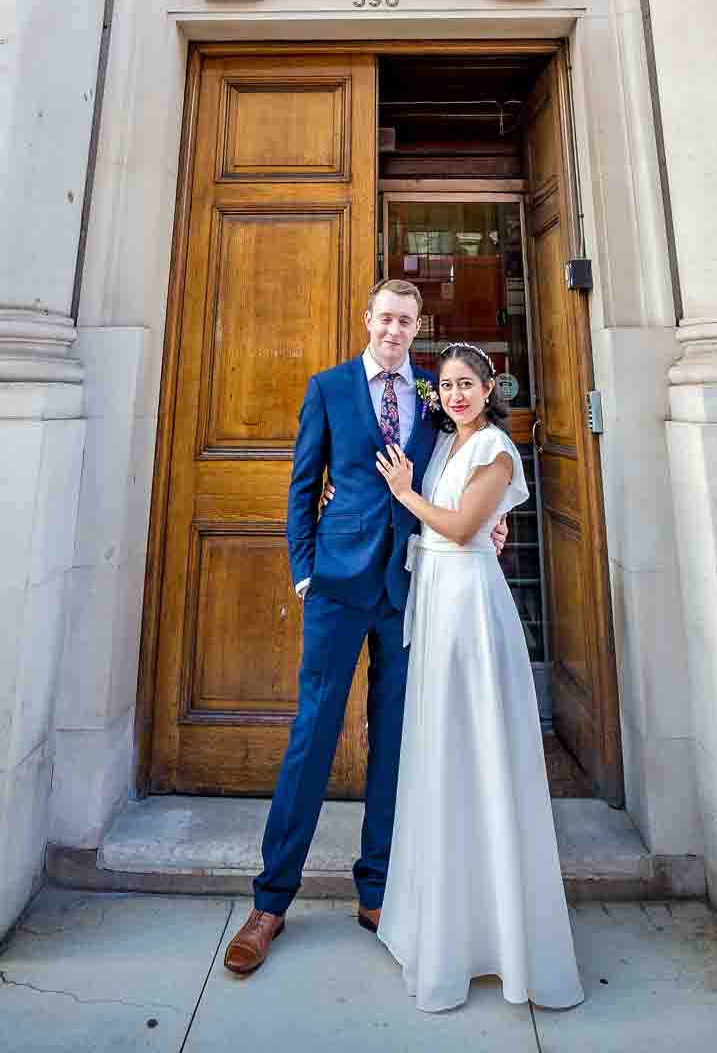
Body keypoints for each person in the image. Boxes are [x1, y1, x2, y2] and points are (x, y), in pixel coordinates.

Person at [222, 281, 507, 976]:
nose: (394, 329)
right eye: (385, 317)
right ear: (368, 321)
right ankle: (270, 902)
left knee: (396, 741)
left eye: (406, 320)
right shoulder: (329, 388)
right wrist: (304, 572)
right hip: (337, 586)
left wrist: (492, 519)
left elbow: (463, 466)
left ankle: (377, 890)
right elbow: (301, 484)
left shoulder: (435, 399)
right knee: (312, 735)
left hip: (412, 588)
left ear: (416, 328)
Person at [374, 342, 584, 1013]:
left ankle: (500, 938)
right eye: (450, 386)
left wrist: (405, 496)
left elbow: (464, 528)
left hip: (468, 602)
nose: (458, 394)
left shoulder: (495, 447)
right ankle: (446, 927)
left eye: (470, 384)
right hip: (438, 597)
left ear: (492, 389)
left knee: (479, 751)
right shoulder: (445, 444)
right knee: (444, 754)